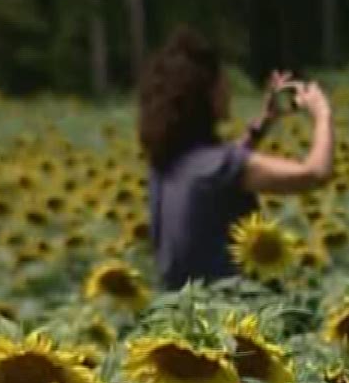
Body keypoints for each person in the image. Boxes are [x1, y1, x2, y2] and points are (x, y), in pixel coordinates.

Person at [139, 26, 335, 291]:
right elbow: (313, 173)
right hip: (236, 315)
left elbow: (217, 170)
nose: (229, 89)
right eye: (224, 81)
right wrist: (322, 114)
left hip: (184, 313)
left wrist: (265, 121)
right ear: (206, 93)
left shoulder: (167, 163)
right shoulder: (219, 167)